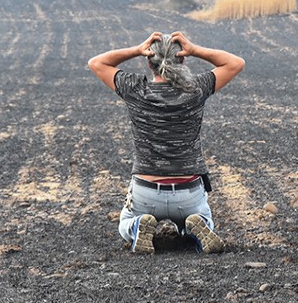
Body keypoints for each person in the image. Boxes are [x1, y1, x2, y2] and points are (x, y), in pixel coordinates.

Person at [88, 31, 245, 254]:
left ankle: (137, 226)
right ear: (182, 59)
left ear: (149, 61)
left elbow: (96, 63)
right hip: (187, 191)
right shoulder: (195, 89)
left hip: (146, 191)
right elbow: (235, 63)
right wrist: (194, 48)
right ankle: (194, 225)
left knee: (125, 223)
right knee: (203, 217)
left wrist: (136, 49)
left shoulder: (135, 89)